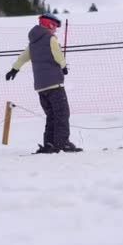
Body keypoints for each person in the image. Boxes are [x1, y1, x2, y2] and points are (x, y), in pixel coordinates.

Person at [5, 13, 82, 153]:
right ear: (49, 25)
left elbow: (23, 57)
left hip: (41, 88)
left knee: (51, 115)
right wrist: (64, 66)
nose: (55, 30)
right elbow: (57, 54)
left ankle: (49, 143)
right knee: (62, 114)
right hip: (54, 85)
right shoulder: (50, 39)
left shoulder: (33, 42)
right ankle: (62, 143)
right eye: (55, 27)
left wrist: (14, 69)